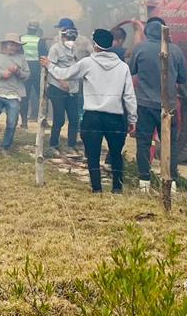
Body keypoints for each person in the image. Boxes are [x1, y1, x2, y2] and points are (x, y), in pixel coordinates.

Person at [42, 29, 137, 193]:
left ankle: (96, 188)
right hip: (115, 117)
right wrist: (132, 119)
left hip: (92, 116)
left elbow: (65, 74)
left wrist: (49, 65)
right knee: (116, 154)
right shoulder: (123, 67)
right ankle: (117, 188)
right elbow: (129, 95)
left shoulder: (87, 63)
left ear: (95, 45)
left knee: (92, 154)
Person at [128, 17, 187, 192]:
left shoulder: (140, 49)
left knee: (144, 142)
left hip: (145, 105)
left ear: (147, 33)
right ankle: (173, 183)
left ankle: (144, 182)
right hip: (168, 106)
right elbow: (183, 78)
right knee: (170, 144)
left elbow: (131, 71)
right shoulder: (175, 51)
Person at [44, 18, 92, 155]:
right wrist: (61, 81)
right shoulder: (55, 48)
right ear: (62, 35)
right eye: (66, 36)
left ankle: (71, 145)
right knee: (59, 118)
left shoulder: (78, 47)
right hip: (57, 87)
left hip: (74, 87)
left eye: (72, 37)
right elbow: (50, 67)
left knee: (74, 118)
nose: (69, 39)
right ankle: (53, 145)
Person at [0, 32, 30, 153]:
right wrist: (2, 74)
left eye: (16, 45)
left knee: (12, 123)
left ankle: (5, 147)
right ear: (5, 45)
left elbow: (27, 75)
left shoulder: (21, 58)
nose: (13, 47)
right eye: (11, 44)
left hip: (14, 94)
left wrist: (18, 72)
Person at [19, 22, 44, 125]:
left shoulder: (21, 39)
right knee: (41, 96)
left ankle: (24, 121)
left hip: (24, 68)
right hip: (36, 69)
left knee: (25, 96)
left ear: (27, 28)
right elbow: (43, 55)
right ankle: (42, 119)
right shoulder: (40, 41)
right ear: (37, 29)